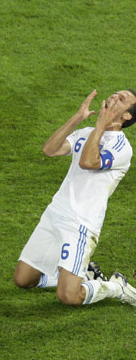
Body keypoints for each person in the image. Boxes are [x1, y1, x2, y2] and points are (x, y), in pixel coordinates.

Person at [14, 89, 136, 307]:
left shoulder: (121, 147)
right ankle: (82, 275)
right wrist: (77, 119)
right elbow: (50, 150)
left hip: (80, 224)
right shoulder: (86, 132)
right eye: (116, 93)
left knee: (69, 297)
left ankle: (117, 287)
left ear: (127, 116)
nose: (114, 97)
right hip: (55, 214)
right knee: (23, 280)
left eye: (122, 99)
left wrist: (102, 123)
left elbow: (88, 162)